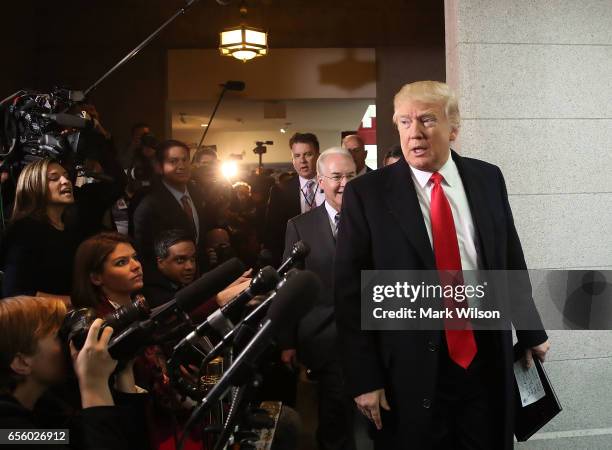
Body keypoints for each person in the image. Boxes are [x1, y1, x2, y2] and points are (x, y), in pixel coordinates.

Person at [334, 81, 550, 449]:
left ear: (454, 127)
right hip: (408, 369)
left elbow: (509, 258)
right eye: (404, 122)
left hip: (485, 358)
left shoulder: (487, 178)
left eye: (427, 119)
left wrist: (530, 331)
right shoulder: (366, 194)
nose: (414, 133)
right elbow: (350, 293)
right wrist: (363, 377)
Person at [281, 147, 357, 450]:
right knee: (333, 418)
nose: (345, 184)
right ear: (321, 181)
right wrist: (287, 341)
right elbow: (290, 288)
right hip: (323, 339)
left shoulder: (375, 221)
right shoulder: (300, 226)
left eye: (351, 176)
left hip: (369, 334)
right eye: (337, 177)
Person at [0, 295, 146, 450]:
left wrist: (124, 369)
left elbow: (121, 440)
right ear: (22, 362)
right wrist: (94, 385)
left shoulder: (45, 408)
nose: (67, 344)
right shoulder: (9, 432)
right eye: (58, 336)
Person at [1, 156, 124, 299]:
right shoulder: (24, 231)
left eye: (66, 176)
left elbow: (118, 183)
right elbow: (14, 292)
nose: (66, 181)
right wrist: (72, 302)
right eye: (54, 178)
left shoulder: (71, 227)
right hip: (48, 318)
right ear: (35, 186)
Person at [132, 139, 209, 266]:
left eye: (185, 160)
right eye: (173, 161)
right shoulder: (149, 205)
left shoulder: (197, 195)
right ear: (159, 167)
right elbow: (146, 252)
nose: (181, 166)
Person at [264, 132, 324, 265]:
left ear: (318, 156)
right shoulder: (280, 191)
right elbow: (273, 234)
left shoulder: (332, 184)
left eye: (308, 154)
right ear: (293, 160)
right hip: (295, 262)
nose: (302, 160)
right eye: (297, 156)